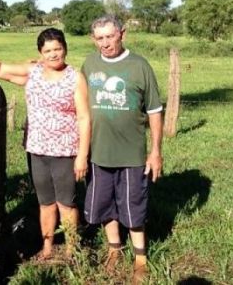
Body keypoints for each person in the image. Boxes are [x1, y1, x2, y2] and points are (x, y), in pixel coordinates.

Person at [0, 28, 91, 260]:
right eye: (48, 50)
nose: (54, 54)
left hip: (65, 151)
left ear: (65, 48)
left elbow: (84, 117)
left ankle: (71, 249)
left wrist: (82, 155)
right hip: (36, 150)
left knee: (66, 203)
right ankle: (47, 247)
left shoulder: (75, 78)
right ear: (40, 52)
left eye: (58, 48)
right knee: (46, 203)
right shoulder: (32, 72)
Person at [82, 15, 163, 284]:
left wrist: (155, 151)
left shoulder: (139, 66)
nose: (105, 43)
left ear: (122, 34)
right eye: (100, 38)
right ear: (94, 40)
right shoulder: (89, 64)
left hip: (132, 155)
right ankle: (114, 249)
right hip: (99, 152)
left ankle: (140, 257)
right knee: (105, 205)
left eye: (110, 36)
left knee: (133, 206)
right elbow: (77, 101)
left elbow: (154, 110)